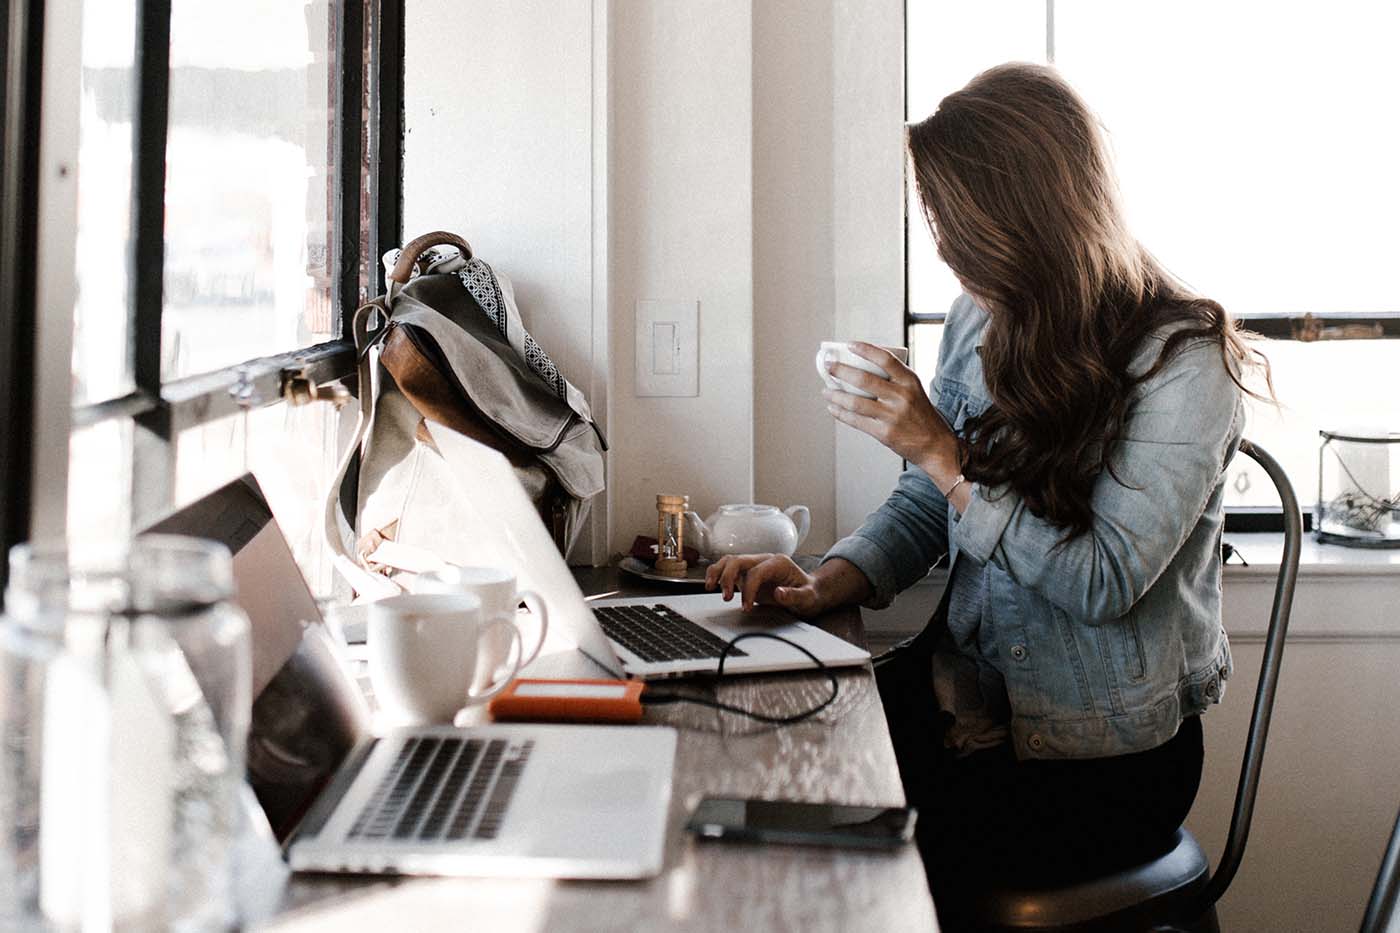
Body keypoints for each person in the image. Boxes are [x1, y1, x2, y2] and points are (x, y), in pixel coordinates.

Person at [704, 62, 1270, 922]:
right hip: (967, 701)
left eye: (957, 226)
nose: (946, 251)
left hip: (1101, 761)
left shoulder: (1186, 362)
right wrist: (828, 580)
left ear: (1030, 217)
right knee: (756, 752)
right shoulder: (984, 317)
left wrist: (943, 452)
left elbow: (1102, 581)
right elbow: (928, 502)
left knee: (841, 852)